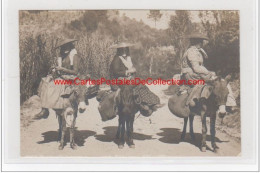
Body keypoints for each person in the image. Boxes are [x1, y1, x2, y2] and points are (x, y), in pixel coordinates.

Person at [109, 42, 162, 117]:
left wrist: (132, 72)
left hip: (125, 79)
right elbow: (116, 72)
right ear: (119, 50)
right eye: (122, 50)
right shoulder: (117, 59)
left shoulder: (127, 59)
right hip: (116, 81)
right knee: (137, 85)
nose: (124, 51)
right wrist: (128, 71)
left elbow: (132, 69)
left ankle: (151, 102)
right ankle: (143, 104)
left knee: (140, 84)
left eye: (126, 49)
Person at [34, 38, 81, 119]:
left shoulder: (74, 55)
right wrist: (55, 69)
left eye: (66, 46)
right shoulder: (62, 56)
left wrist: (62, 69)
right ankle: (45, 109)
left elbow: (75, 72)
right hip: (62, 76)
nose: (64, 48)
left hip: (71, 78)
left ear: (70, 46)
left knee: (53, 86)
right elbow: (60, 70)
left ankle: (54, 107)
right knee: (45, 81)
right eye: (63, 47)